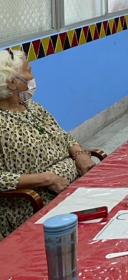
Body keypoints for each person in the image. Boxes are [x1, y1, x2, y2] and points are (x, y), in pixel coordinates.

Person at [0, 49, 98, 237]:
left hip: (74, 188)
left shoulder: (31, 107)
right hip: (35, 203)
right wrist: (46, 178)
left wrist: (79, 155)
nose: (32, 77)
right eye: (28, 71)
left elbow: (62, 135)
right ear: (11, 83)